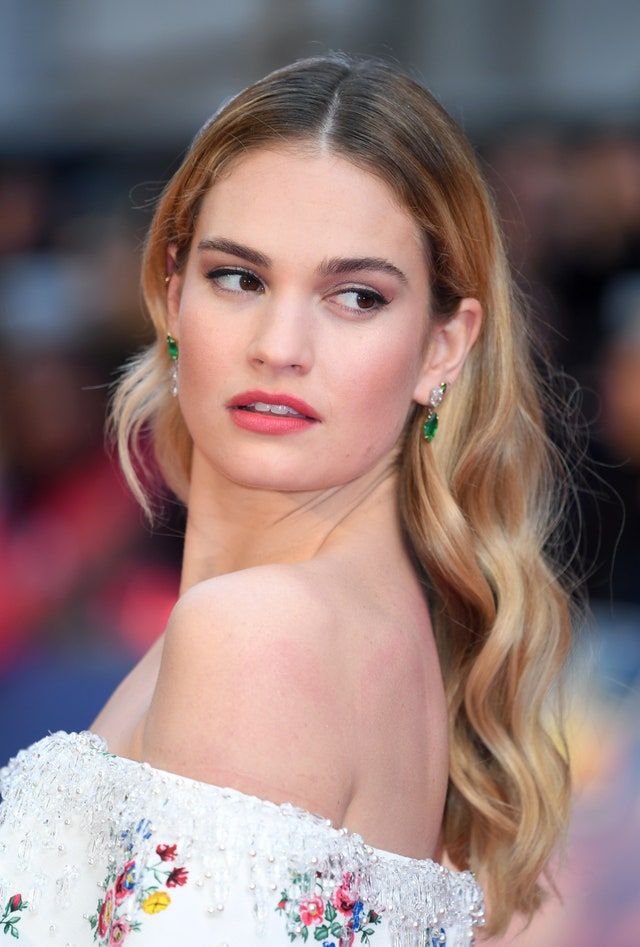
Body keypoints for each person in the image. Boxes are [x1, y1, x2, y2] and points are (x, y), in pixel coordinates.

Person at [0, 52, 580, 946]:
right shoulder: (373, 625)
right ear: (170, 292)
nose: (280, 344)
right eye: (240, 277)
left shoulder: (261, 634)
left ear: (443, 347)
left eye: (355, 296)